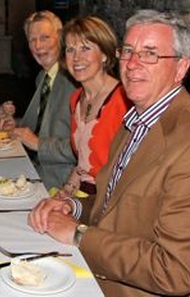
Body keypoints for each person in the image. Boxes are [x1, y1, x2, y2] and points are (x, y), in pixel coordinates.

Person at [29, 10, 190, 296]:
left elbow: (175, 271)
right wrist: (74, 207)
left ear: (181, 68)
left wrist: (79, 235)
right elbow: (119, 204)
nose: (132, 64)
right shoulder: (136, 122)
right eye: (128, 51)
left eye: (150, 53)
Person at [0, 10, 77, 189]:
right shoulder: (43, 77)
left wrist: (38, 144)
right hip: (34, 169)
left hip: (61, 182)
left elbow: (83, 149)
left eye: (45, 37)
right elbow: (40, 128)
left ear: (60, 38)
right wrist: (14, 126)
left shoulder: (75, 81)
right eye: (32, 40)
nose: (38, 46)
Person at [55, 16, 131, 197]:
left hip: (112, 200)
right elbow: (83, 166)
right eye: (70, 50)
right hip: (84, 196)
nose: (76, 58)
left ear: (105, 54)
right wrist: (65, 192)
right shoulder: (75, 99)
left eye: (85, 48)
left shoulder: (124, 101)